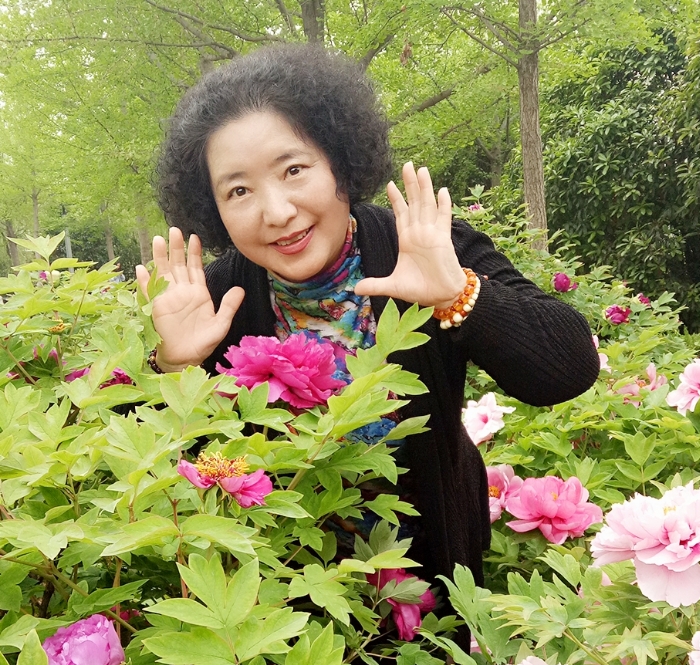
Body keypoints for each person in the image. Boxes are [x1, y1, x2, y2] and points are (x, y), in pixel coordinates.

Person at [135, 44, 600, 590]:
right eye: (238, 190)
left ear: (339, 162)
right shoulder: (212, 301)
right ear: (212, 209)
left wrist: (457, 294)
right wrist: (175, 370)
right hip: (286, 592)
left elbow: (568, 370)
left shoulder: (423, 249)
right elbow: (165, 482)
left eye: (294, 169)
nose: (277, 212)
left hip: (435, 573)